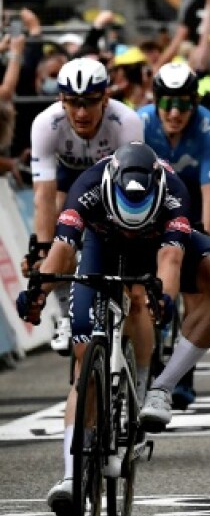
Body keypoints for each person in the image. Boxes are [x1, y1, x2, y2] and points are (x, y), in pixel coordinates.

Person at [16, 143, 210, 516]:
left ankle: (160, 387)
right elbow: (62, 250)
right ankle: (72, 476)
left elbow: (170, 259)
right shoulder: (88, 186)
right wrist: (37, 291)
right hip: (102, 247)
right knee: (84, 364)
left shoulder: (174, 191)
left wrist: (164, 298)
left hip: (158, 248)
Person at [27, 59, 145, 352]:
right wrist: (44, 250)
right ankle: (66, 314)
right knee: (55, 238)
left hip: (114, 186)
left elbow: (134, 189)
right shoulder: (45, 123)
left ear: (105, 97)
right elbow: (43, 194)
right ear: (61, 98)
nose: (81, 112)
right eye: (73, 102)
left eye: (90, 101)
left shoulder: (126, 121)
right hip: (68, 183)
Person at [139, 61, 210, 409]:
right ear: (155, 101)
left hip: (192, 207)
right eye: (167, 103)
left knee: (194, 292)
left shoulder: (209, 126)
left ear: (195, 103)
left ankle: (183, 375)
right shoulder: (140, 122)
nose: (174, 112)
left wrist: (208, 242)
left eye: (183, 104)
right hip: (149, 209)